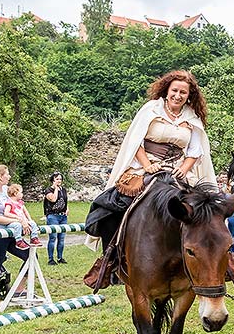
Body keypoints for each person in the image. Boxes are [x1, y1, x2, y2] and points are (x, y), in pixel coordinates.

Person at [84, 70, 216, 283]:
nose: (178, 95)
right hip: (145, 167)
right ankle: (112, 259)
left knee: (207, 210)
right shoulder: (151, 109)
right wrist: (147, 165)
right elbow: (135, 141)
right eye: (175, 90)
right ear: (167, 90)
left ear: (189, 95)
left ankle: (217, 259)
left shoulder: (192, 118)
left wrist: (184, 167)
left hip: (177, 172)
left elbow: (195, 150)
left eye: (183, 92)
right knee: (111, 208)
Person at [0, 164, 30, 307]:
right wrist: (18, 220)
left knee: (31, 256)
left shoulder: (5, 190)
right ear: (0, 176)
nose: (9, 177)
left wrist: (26, 219)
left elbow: (18, 205)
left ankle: (18, 290)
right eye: (7, 174)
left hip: (11, 233)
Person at [4, 183, 42, 249]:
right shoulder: (9, 202)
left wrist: (29, 219)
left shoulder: (21, 202)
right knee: (17, 225)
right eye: (21, 192)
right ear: (15, 193)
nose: (22, 194)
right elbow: (6, 213)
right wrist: (16, 217)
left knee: (33, 223)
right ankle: (18, 241)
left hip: (23, 220)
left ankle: (34, 238)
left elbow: (25, 211)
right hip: (13, 222)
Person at [44, 171, 69, 265]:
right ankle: (51, 259)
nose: (59, 181)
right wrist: (55, 189)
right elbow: (53, 199)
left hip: (63, 216)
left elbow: (65, 200)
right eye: (57, 179)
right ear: (53, 180)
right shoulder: (48, 190)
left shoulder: (64, 190)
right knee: (53, 237)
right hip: (52, 216)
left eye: (60, 179)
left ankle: (60, 257)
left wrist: (67, 209)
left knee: (61, 238)